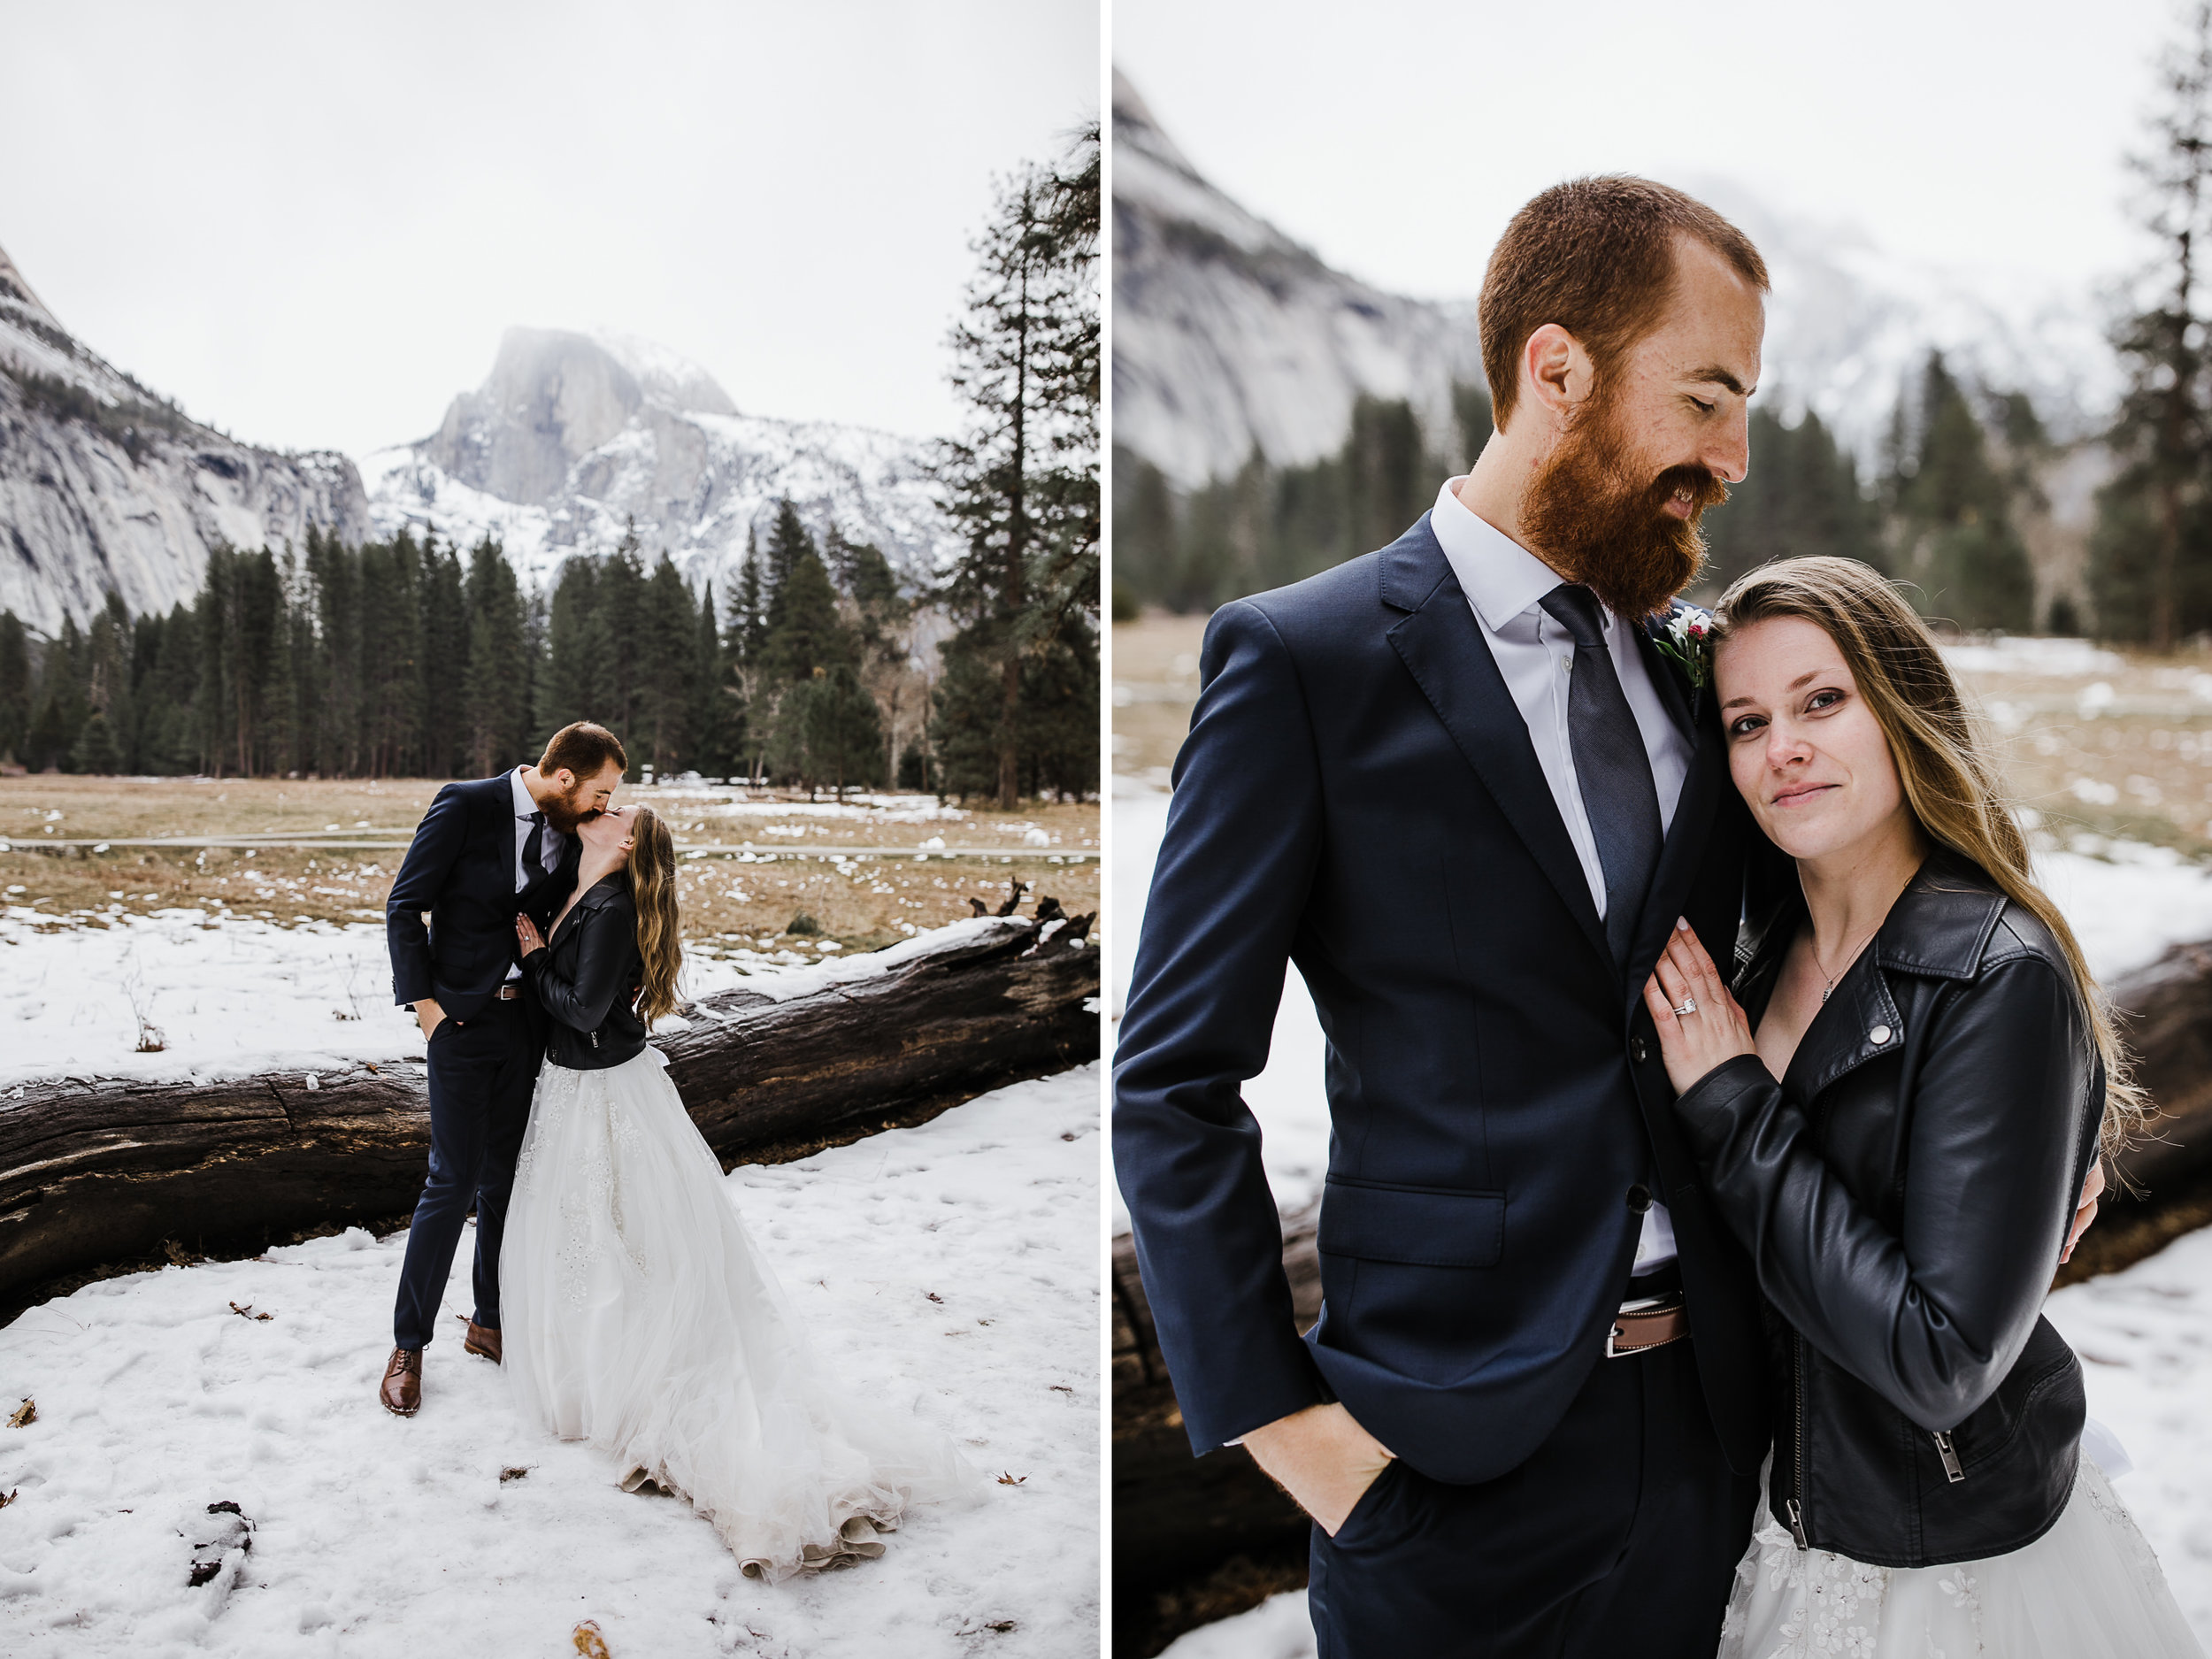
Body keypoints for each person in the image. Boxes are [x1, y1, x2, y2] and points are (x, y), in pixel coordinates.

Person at [1112, 176, 2105, 1657]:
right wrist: (1298, 1443)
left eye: (1746, 404)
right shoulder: (1302, 668)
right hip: (1439, 1471)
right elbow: (1173, 1085)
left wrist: (2043, 1122)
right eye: (1707, 396)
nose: (1735, 452)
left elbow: (1864, 909)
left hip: (1730, 1444)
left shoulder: (1706, 677)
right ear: (1557, 369)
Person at [1640, 557, 2201, 1657]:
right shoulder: (1754, 961)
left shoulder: (1998, 974)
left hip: (1948, 1557)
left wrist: (1730, 1102)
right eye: (1746, 722)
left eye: (1820, 701)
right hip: (1785, 1518)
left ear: (1901, 708)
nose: (1782, 747)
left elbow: (1939, 1361)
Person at [503, 803, 976, 1579]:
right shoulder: (586, 888)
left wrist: (533, 962)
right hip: (577, 1087)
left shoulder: (614, 905)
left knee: (626, 1238)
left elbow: (586, 1010)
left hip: (602, 1096)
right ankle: (592, 1366)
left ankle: (639, 1385)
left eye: (618, 810)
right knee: (597, 1238)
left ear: (627, 845)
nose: (605, 807)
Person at [380, 721, 628, 1417]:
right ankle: (409, 1344)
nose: (606, 807)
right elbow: (405, 906)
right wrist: (425, 1007)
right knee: (450, 1179)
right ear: (565, 779)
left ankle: (489, 1323)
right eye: (602, 791)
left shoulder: (573, 826)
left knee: (505, 1179)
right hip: (459, 1023)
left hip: (527, 1027)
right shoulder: (464, 804)